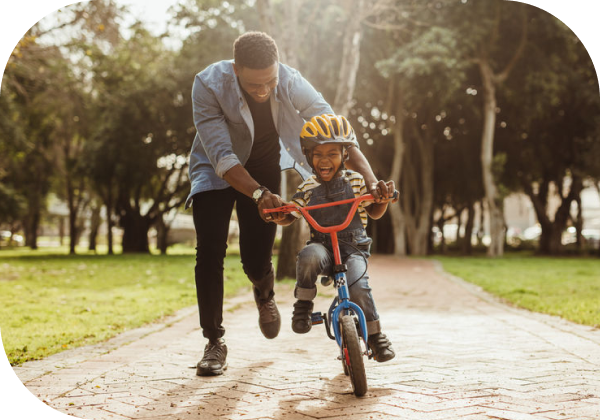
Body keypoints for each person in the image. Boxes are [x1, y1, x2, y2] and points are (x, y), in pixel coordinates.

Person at [187, 31, 390, 376]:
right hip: (215, 168)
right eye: (254, 85)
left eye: (269, 81)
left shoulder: (291, 80)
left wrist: (371, 180)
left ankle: (263, 292)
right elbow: (221, 155)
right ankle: (214, 341)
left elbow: (335, 131)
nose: (263, 90)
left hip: (263, 165)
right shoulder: (207, 85)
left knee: (255, 259)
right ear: (236, 69)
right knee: (210, 250)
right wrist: (257, 195)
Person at [274, 114, 396, 362]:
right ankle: (304, 305)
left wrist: (381, 200)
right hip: (323, 249)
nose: (325, 160)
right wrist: (279, 214)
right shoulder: (307, 187)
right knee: (308, 256)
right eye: (317, 154)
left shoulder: (358, 181)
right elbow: (291, 213)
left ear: (344, 156)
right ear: (308, 156)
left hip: (353, 249)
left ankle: (375, 336)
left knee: (358, 286)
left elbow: (373, 211)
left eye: (332, 153)